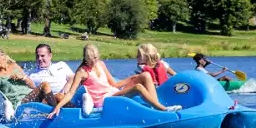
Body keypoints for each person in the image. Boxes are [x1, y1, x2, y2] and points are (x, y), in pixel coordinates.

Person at [48, 44, 182, 119]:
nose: (94, 61)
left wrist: (133, 78)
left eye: (95, 58)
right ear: (86, 58)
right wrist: (58, 106)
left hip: (113, 92)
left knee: (146, 75)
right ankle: (163, 110)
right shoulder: (82, 72)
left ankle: (156, 106)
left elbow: (114, 84)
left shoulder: (100, 64)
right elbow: (71, 93)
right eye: (91, 59)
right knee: (139, 88)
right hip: (104, 100)